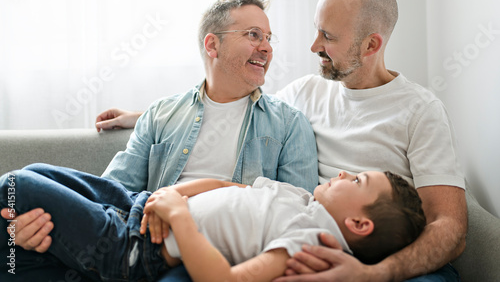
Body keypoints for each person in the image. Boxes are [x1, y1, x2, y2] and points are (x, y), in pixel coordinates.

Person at [53, 0, 467, 281]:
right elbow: (229, 98)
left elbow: (449, 228)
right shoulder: (306, 93)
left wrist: (372, 274)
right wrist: (143, 116)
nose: (313, 46)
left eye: (328, 36)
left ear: (371, 45)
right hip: (294, 237)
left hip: (372, 253)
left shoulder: (420, 110)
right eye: (315, 30)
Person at [0, 0, 319, 281]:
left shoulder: (289, 124)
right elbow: (114, 189)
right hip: (137, 226)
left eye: (268, 38)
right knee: (19, 214)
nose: (266, 47)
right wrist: (46, 223)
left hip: (201, 252)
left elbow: (296, 217)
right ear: (213, 45)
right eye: (253, 35)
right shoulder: (161, 113)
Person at [0, 163, 426, 281]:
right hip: (141, 205)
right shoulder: (302, 199)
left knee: (15, 186)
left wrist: (180, 217)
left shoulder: (309, 241)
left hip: (132, 250)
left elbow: (226, 280)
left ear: (358, 223)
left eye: (356, 179)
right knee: (37, 172)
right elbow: (226, 185)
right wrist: (170, 196)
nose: (341, 174)